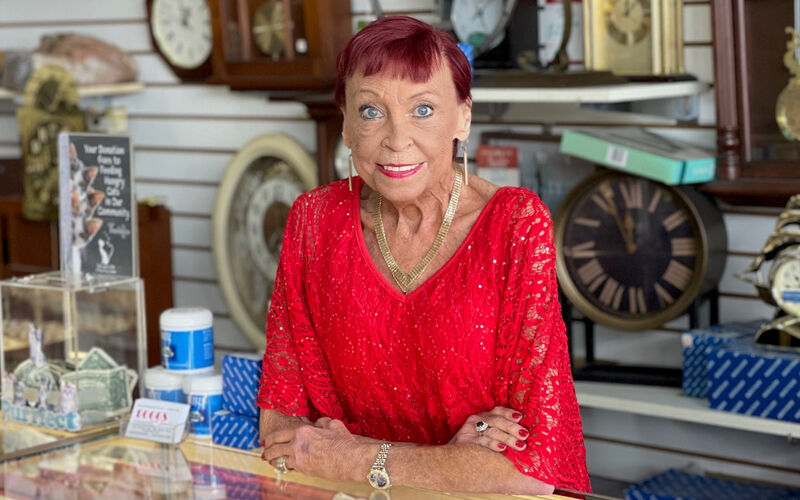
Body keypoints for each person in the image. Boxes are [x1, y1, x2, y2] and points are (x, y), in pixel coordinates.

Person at [258, 15, 590, 495]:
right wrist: (448, 461)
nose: (396, 139)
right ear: (347, 124)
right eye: (371, 111)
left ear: (463, 117)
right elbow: (282, 432)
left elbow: (531, 470)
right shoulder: (314, 221)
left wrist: (358, 458)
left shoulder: (516, 225)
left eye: (424, 110)